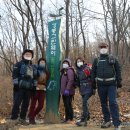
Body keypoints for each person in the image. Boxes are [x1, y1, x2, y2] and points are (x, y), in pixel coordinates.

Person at [92, 42, 122, 130]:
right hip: (101, 85)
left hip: (111, 84)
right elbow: (93, 72)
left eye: (104, 47)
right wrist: (93, 83)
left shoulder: (113, 58)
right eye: (101, 47)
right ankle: (107, 121)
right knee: (103, 103)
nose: (103, 48)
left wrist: (119, 80)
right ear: (99, 48)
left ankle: (117, 124)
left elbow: (118, 69)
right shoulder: (96, 60)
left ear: (107, 48)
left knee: (112, 102)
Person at [11, 49, 37, 125]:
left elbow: (35, 78)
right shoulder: (18, 64)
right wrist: (15, 84)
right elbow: (14, 75)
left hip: (29, 88)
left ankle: (22, 119)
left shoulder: (33, 66)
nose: (28, 55)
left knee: (25, 104)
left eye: (30, 54)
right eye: (27, 54)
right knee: (16, 103)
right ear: (23, 55)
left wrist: (34, 87)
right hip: (19, 88)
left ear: (32, 56)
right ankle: (14, 119)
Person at [28, 58, 49, 124]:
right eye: (41, 62)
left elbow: (47, 80)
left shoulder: (46, 71)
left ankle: (32, 115)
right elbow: (31, 77)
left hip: (42, 89)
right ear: (39, 62)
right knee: (33, 104)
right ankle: (31, 119)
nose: (42, 63)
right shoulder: (35, 69)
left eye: (43, 62)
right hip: (35, 88)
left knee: (41, 105)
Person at [75, 57, 94, 126]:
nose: (79, 62)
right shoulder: (77, 71)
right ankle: (87, 116)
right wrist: (75, 85)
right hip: (82, 89)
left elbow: (92, 77)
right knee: (85, 103)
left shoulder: (87, 68)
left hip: (89, 87)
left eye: (80, 61)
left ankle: (84, 119)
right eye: (77, 61)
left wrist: (94, 87)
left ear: (83, 61)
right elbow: (78, 81)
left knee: (84, 102)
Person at [60, 58, 75, 124]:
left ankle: (70, 118)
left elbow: (70, 80)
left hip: (68, 91)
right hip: (64, 92)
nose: (65, 64)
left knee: (68, 105)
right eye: (64, 63)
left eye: (66, 63)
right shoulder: (63, 71)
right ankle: (66, 118)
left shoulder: (70, 70)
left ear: (69, 64)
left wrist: (67, 89)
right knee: (66, 105)